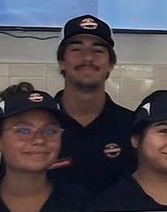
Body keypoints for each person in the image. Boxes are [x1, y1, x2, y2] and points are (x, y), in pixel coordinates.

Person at [51, 15, 138, 193]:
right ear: (61, 62)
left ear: (111, 64)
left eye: (98, 51)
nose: (88, 57)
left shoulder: (133, 126)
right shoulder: (39, 126)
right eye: (76, 50)